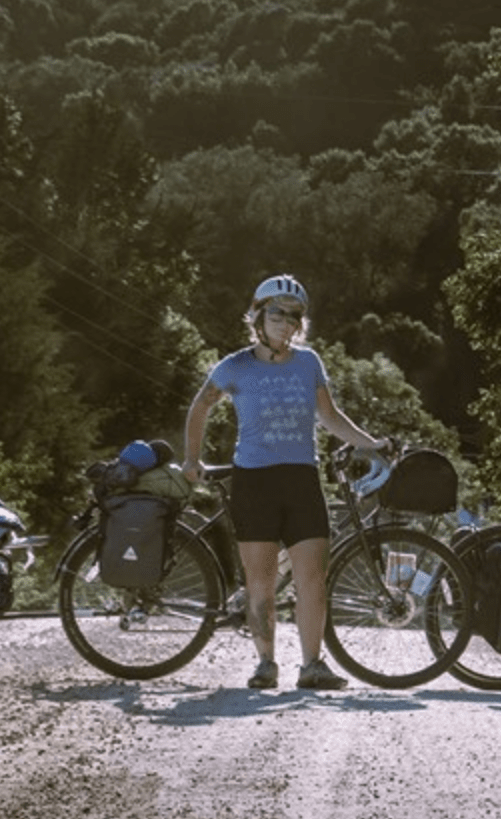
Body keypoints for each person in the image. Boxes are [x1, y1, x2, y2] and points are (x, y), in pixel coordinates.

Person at [182, 274, 386, 690]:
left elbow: (329, 417)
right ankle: (265, 663)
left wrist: (371, 444)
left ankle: (312, 665)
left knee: (312, 575)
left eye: (293, 316)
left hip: (301, 479)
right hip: (254, 481)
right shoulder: (235, 365)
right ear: (258, 316)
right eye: (276, 312)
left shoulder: (309, 362)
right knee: (261, 578)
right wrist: (190, 457)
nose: (285, 322)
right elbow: (200, 407)